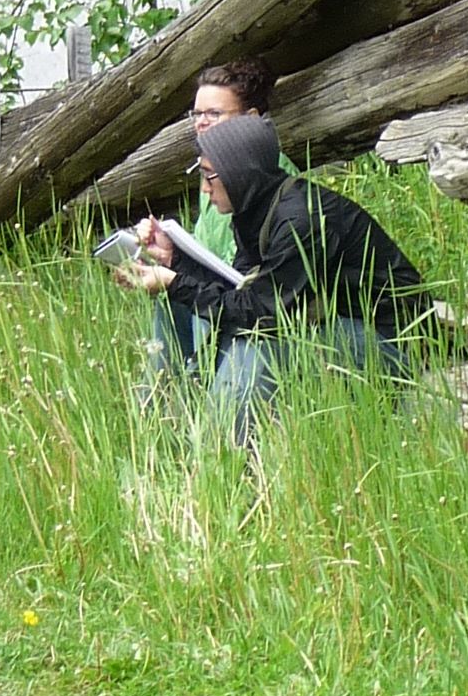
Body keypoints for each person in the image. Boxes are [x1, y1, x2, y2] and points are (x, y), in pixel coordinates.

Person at [125, 111, 431, 445]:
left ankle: (218, 458)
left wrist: (174, 281)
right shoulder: (258, 206)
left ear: (239, 174)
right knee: (176, 305)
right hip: (325, 323)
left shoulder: (301, 221)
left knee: (255, 346)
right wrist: (175, 262)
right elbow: (240, 288)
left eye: (209, 176)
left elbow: (261, 315)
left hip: (390, 346)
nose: (204, 188)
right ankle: (160, 427)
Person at [137, 57, 284, 385]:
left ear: (251, 119)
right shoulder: (212, 174)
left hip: (251, 305)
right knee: (169, 298)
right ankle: (165, 402)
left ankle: (196, 386)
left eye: (214, 114)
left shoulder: (264, 177)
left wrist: (177, 275)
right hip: (219, 289)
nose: (202, 123)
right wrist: (168, 251)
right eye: (197, 114)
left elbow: (243, 281)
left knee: (182, 294)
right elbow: (205, 250)